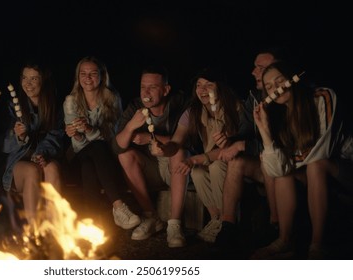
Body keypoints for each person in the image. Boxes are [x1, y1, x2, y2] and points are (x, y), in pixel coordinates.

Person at [252, 61, 353, 259]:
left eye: (279, 81)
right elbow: (276, 171)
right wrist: (264, 131)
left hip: (344, 168)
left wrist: (288, 162)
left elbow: (322, 151)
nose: (276, 89)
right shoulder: (279, 117)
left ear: (292, 78)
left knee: (315, 165)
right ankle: (284, 240)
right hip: (314, 174)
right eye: (270, 87)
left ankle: (317, 246)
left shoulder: (323, 97)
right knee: (283, 176)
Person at [150, 67, 242, 243]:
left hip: (232, 161)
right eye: (199, 85)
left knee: (215, 167)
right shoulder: (193, 112)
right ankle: (215, 219)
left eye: (208, 85)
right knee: (197, 172)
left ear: (220, 87)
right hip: (209, 159)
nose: (202, 90)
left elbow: (232, 147)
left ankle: (227, 221)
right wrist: (164, 149)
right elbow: (176, 142)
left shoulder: (234, 107)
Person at [112, 65, 189, 248]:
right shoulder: (135, 106)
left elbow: (188, 140)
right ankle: (151, 217)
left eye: (152, 87)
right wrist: (131, 126)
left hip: (178, 168)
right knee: (125, 155)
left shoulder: (180, 102)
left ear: (165, 90)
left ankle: (174, 224)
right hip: (150, 169)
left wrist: (149, 138)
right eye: (142, 87)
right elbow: (116, 147)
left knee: (179, 151)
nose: (146, 92)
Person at [214, 48, 282, 249]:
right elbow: (244, 133)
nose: (253, 72)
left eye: (260, 68)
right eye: (255, 67)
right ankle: (228, 226)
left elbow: (283, 144)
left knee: (265, 159)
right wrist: (229, 139)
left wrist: (243, 144)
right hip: (263, 161)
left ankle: (276, 225)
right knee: (236, 162)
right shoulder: (253, 97)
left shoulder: (285, 98)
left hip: (287, 164)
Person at [63, 56, 140, 229]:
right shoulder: (71, 101)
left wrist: (90, 130)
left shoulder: (112, 99)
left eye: (92, 73)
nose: (87, 78)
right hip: (78, 155)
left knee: (90, 164)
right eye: (83, 73)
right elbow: (78, 146)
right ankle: (118, 207)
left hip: (107, 156)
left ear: (102, 76)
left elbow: (112, 138)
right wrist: (75, 134)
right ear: (78, 77)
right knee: (92, 152)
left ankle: (92, 223)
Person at [2, 59, 65, 230]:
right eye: (24, 78)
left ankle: (54, 231)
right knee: (32, 170)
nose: (27, 84)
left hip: (44, 158)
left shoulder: (55, 107)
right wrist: (18, 136)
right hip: (20, 164)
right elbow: (5, 145)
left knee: (52, 169)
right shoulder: (12, 107)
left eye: (34, 79)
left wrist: (41, 154)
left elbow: (56, 136)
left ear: (44, 80)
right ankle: (34, 234)